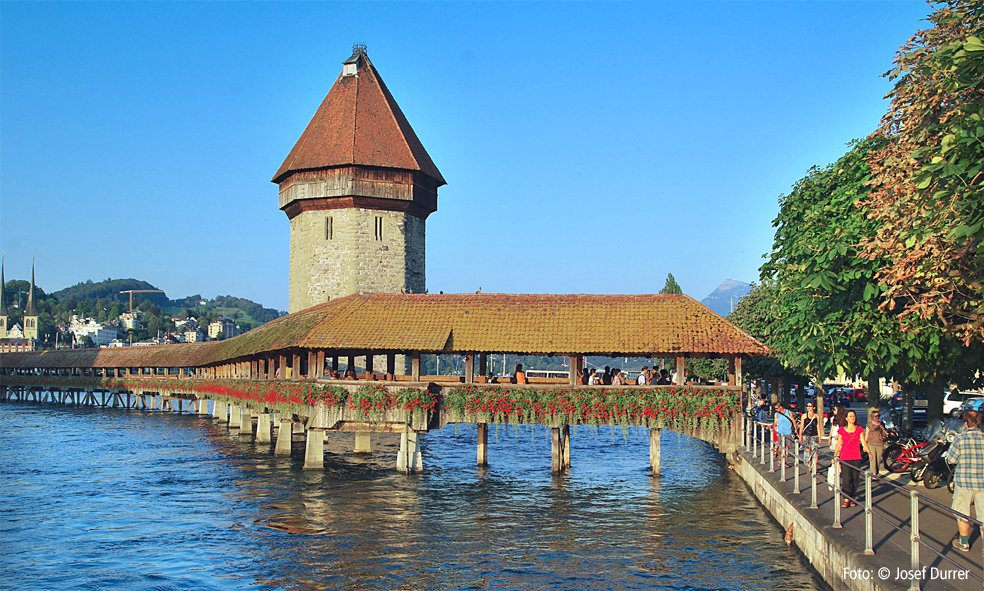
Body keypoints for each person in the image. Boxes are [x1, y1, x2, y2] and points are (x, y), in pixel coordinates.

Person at [948, 410, 984, 552]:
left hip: (964, 482)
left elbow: (951, 460)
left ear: (966, 424)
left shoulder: (960, 439)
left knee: (962, 512)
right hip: (982, 484)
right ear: (979, 423)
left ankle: (964, 543)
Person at [834, 409, 870, 508]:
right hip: (845, 456)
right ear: (846, 418)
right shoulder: (842, 430)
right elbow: (838, 443)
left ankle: (853, 498)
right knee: (846, 479)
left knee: (855, 478)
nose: (852, 418)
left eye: (853, 416)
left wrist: (869, 453)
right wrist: (835, 455)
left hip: (856, 456)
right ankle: (846, 499)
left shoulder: (859, 429)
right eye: (850, 416)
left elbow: (863, 442)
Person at [863, 410, 888, 476]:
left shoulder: (881, 424)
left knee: (878, 459)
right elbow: (867, 435)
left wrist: (882, 428)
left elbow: (885, 433)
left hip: (880, 443)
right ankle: (873, 473)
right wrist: (864, 445)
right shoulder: (869, 425)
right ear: (872, 417)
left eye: (878, 416)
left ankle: (876, 472)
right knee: (872, 458)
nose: (877, 418)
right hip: (871, 443)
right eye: (875, 416)